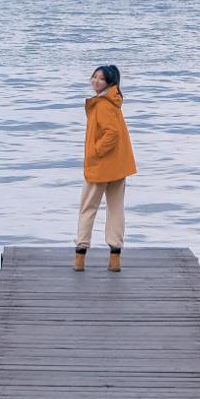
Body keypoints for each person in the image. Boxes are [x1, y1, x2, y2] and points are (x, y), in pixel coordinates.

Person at [77, 63, 136, 272]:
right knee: (115, 209)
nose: (95, 81)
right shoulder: (113, 101)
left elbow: (111, 134)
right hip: (118, 166)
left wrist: (95, 151)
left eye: (101, 79)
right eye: (94, 77)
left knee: (87, 208)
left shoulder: (102, 104)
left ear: (110, 82)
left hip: (101, 166)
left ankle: (80, 256)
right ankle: (114, 257)